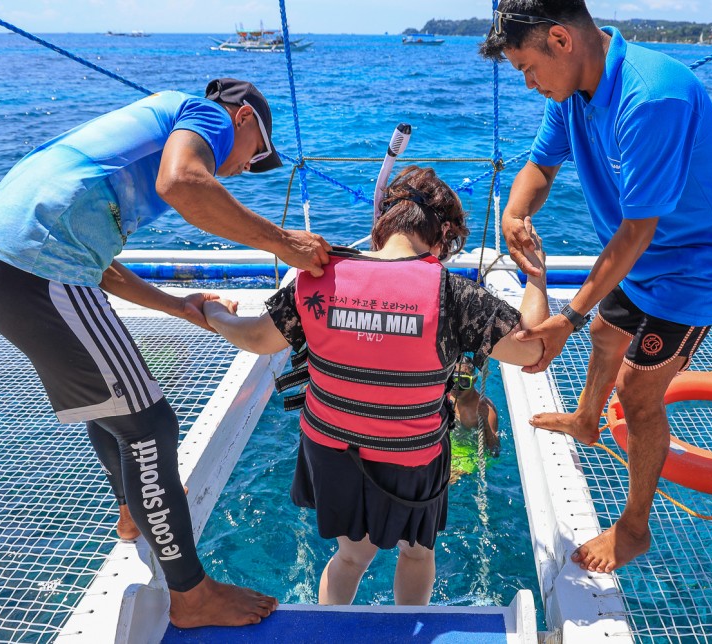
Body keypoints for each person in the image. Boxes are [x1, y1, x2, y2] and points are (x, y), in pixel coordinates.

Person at [0, 77, 332, 628]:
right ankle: (192, 595)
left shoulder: (130, 158)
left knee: (113, 407)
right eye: (257, 157)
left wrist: (177, 306)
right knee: (151, 425)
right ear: (244, 118)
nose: (244, 170)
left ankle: (133, 511)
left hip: (2, 261)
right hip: (36, 267)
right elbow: (184, 181)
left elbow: (102, 266)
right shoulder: (202, 115)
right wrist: (285, 243)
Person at [480, 2, 712, 574]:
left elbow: (637, 231)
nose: (529, 85)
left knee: (636, 393)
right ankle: (585, 420)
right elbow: (539, 166)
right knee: (607, 333)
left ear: (561, 39)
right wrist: (515, 211)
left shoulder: (652, 98)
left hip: (694, 265)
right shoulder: (571, 93)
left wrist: (567, 317)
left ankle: (633, 530)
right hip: (636, 259)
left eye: (527, 69)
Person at [203, 166, 549, 606]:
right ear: (441, 238)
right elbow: (534, 348)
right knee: (418, 554)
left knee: (349, 556)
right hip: (411, 460)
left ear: (382, 225)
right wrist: (535, 276)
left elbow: (252, 337)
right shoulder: (454, 295)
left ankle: (329, 632)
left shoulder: (317, 278)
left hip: (330, 454)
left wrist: (213, 312)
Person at [447, 356, 501, 483]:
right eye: (453, 380)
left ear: (474, 380)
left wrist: (485, 423)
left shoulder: (484, 408)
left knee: (447, 481)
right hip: (448, 445)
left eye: (463, 381)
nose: (456, 387)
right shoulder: (447, 395)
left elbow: (495, 450)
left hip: (469, 454)